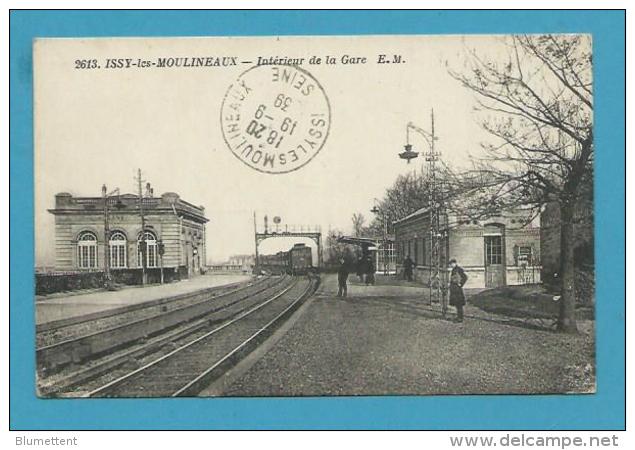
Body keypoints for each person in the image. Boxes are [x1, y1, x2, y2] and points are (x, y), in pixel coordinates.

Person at [448, 258, 468, 322]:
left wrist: (461, 284)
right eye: (450, 264)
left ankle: (460, 318)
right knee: (457, 304)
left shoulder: (459, 269)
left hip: (457, 289)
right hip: (454, 289)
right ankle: (458, 316)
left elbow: (465, 277)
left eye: (451, 264)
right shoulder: (454, 269)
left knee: (459, 304)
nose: (451, 265)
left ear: (455, 263)